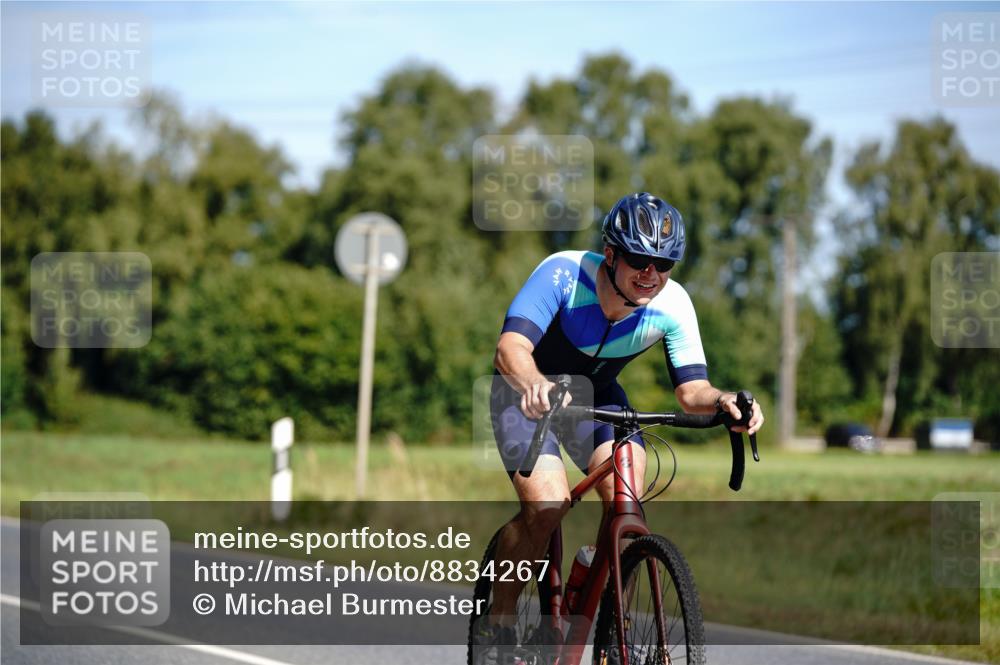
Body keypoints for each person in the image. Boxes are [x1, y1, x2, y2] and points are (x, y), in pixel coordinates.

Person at [474, 192, 765, 658]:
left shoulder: (673, 304)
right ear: (610, 254)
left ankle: (604, 609)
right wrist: (531, 383)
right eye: (638, 259)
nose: (651, 274)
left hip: (599, 400)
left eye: (663, 264)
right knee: (547, 506)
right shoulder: (563, 274)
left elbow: (693, 392)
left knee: (627, 496)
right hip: (525, 394)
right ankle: (498, 624)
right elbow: (509, 348)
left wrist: (727, 401)